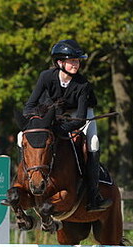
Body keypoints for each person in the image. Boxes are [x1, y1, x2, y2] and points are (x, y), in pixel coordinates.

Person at [22, 39, 113, 212]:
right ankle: (22, 182)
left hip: (80, 114)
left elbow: (79, 120)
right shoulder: (46, 77)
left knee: (93, 143)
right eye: (72, 61)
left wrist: (58, 130)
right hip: (52, 114)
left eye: (77, 61)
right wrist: (38, 123)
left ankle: (93, 196)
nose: (76, 64)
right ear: (60, 62)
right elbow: (29, 106)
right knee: (22, 138)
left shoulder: (82, 84)